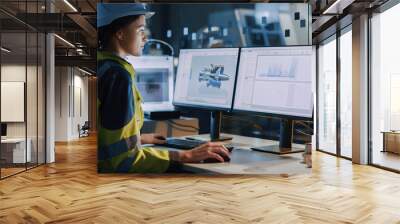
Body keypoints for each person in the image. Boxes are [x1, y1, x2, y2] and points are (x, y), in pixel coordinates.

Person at [97, 3, 230, 173]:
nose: (145, 38)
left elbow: (106, 138)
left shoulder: (103, 66)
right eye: (139, 30)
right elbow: (123, 161)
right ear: (119, 33)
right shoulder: (117, 77)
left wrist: (138, 138)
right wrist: (185, 156)